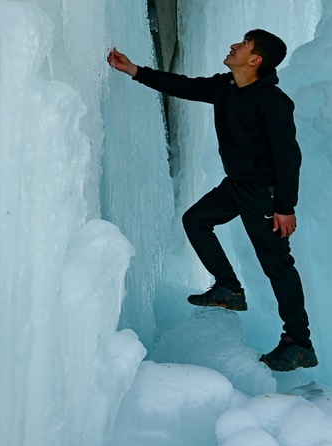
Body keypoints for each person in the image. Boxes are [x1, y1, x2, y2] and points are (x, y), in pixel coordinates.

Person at [107, 31, 317, 371]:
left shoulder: (272, 102)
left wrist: (284, 206)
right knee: (196, 220)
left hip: (262, 194)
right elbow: (183, 86)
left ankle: (299, 344)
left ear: (255, 60)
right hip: (236, 186)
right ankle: (229, 288)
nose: (234, 45)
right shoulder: (226, 87)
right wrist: (134, 70)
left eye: (244, 44)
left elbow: (288, 156)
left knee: (277, 266)